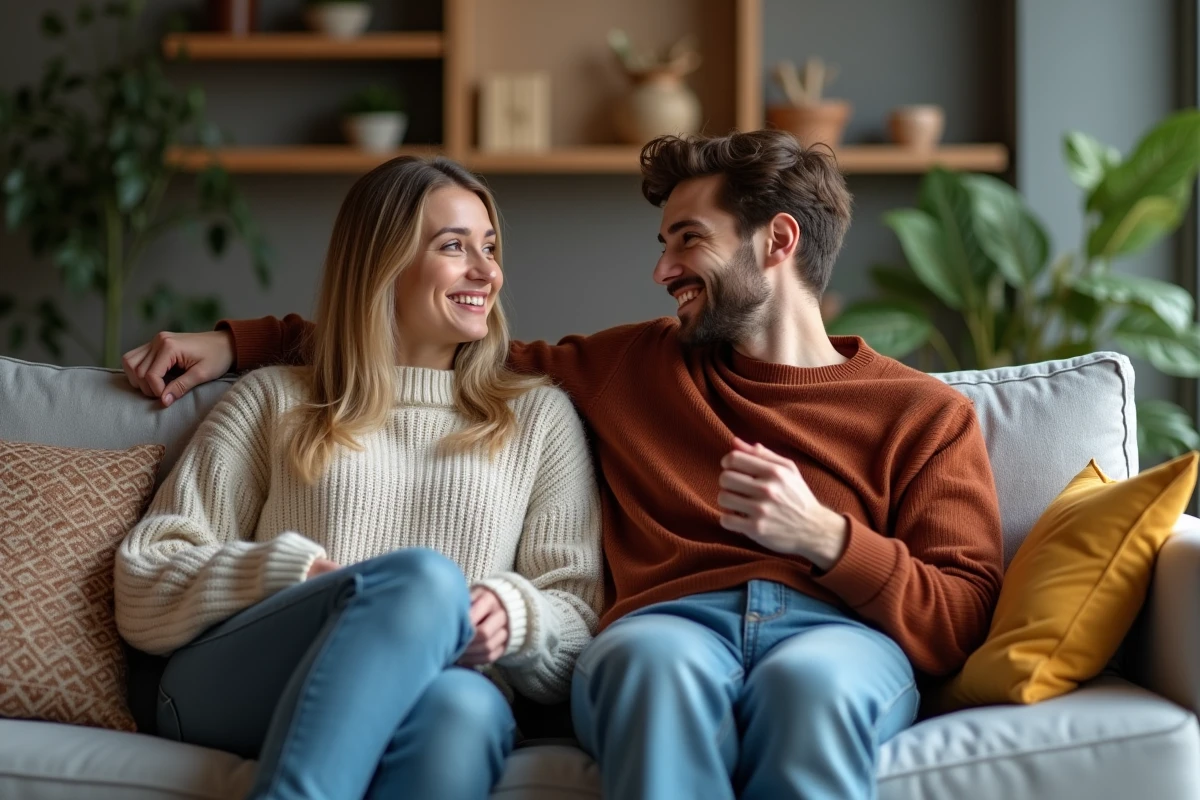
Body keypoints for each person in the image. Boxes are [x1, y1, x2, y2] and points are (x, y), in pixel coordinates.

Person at [123, 130, 1003, 800]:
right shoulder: (633, 365)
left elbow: (962, 616)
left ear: (776, 242)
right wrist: (242, 341)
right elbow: (402, 342)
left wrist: (827, 537)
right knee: (650, 669)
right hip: (674, 626)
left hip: (835, 635)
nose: (660, 269)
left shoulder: (924, 414)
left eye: (686, 241)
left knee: (807, 689)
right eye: (662, 242)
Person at [115, 155, 603, 800]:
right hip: (240, 684)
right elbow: (144, 580)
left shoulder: (536, 418)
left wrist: (517, 617)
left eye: (489, 246)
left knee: (466, 709)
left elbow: (575, 616)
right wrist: (289, 576)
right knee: (423, 579)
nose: (487, 271)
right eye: (454, 247)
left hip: (449, 688)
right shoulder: (274, 401)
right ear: (383, 264)